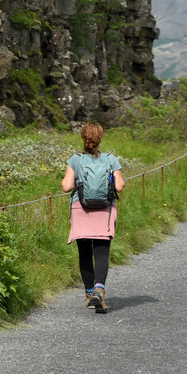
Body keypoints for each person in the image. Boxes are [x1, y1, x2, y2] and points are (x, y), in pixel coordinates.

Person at [61, 123, 125, 313]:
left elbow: (66, 186)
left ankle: (90, 294)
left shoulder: (75, 160)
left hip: (80, 208)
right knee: (102, 251)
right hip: (104, 209)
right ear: (100, 138)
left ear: (83, 138)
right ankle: (99, 289)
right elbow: (119, 187)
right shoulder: (111, 159)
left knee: (84, 253)